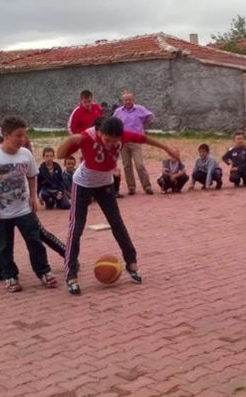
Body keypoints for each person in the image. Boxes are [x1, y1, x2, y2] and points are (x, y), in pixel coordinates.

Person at [56, 116, 180, 295]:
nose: (110, 144)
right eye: (107, 140)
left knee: (117, 223)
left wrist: (167, 147)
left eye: (114, 141)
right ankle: (71, 274)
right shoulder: (86, 137)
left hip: (105, 183)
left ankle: (132, 263)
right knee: (76, 228)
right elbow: (60, 154)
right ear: (100, 132)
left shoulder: (122, 136)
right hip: (83, 184)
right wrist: (70, 140)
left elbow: (144, 139)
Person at [0, 116, 57, 292]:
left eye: (24, 136)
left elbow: (32, 176)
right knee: (3, 246)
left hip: (24, 209)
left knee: (34, 241)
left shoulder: (25, 154)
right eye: (18, 136)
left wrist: (33, 197)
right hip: (0, 212)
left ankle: (43, 271)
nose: (23, 140)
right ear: (6, 135)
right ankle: (10, 275)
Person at [112, 91, 155, 195]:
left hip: (136, 141)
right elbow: (112, 123)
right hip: (123, 142)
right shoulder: (118, 112)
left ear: (133, 100)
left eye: (129, 99)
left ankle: (147, 186)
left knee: (139, 164)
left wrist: (144, 126)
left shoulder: (140, 109)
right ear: (122, 101)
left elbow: (151, 117)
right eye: (125, 100)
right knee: (127, 165)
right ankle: (131, 187)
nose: (128, 101)